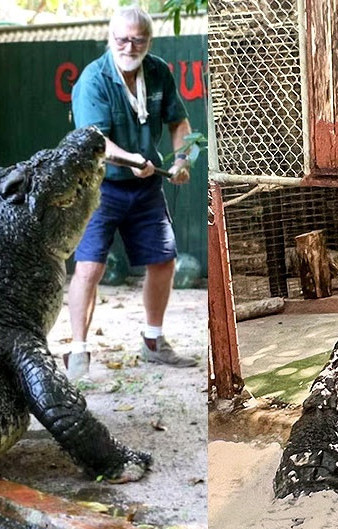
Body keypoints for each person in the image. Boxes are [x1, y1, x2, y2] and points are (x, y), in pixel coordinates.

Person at [64, 6, 196, 379]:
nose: (129, 45)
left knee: (164, 260)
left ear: (148, 41)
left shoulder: (157, 71)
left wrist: (182, 158)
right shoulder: (94, 79)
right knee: (89, 267)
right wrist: (134, 159)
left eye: (138, 39)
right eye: (122, 39)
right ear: (111, 39)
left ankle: (153, 341)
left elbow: (179, 121)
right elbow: (95, 142)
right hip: (99, 186)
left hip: (146, 185)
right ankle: (78, 351)